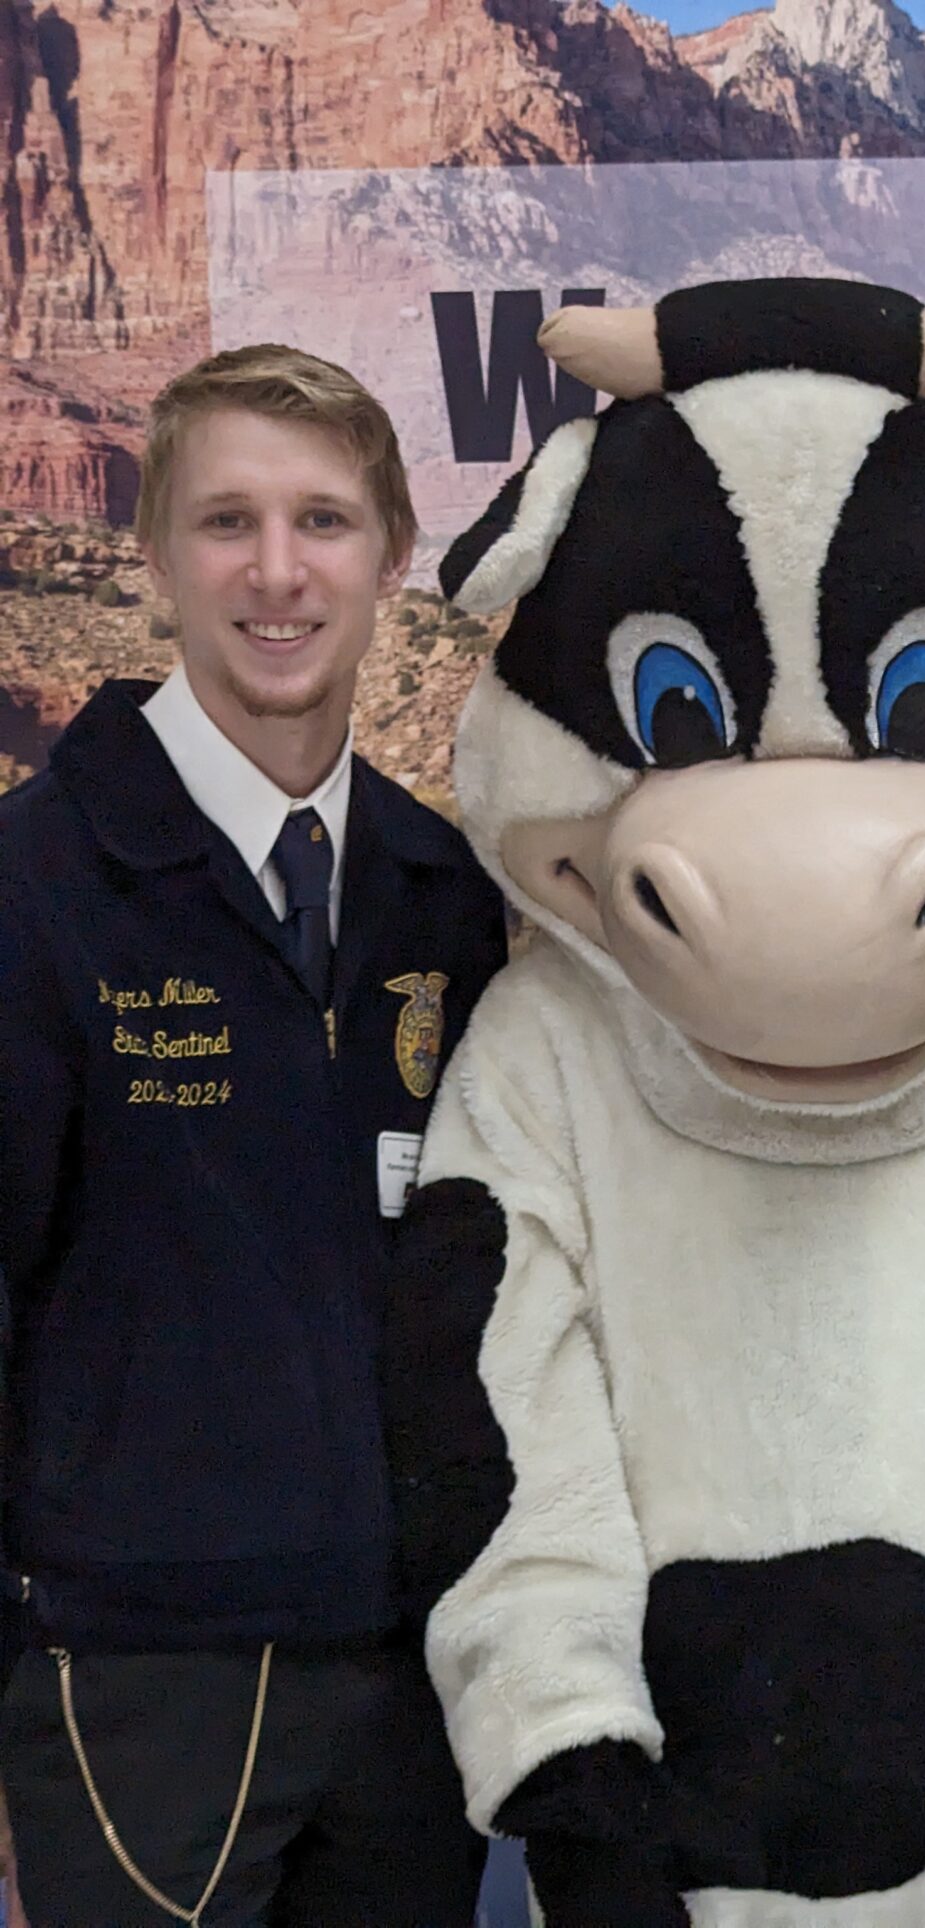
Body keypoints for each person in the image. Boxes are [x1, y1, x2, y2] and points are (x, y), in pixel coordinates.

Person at [0, 344, 507, 1924]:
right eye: (226, 522)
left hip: (414, 1683)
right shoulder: (40, 884)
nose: (277, 574)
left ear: (392, 556)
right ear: (151, 553)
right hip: (136, 1677)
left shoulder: (445, 895)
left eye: (325, 523)